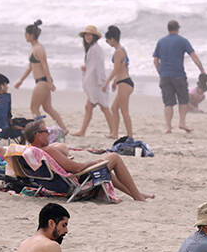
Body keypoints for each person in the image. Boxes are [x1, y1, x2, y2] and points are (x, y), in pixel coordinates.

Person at [23, 120, 153, 201]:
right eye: (46, 131)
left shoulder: (33, 152)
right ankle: (137, 196)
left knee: (105, 168)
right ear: (38, 135)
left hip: (56, 183)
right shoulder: (47, 150)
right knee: (114, 158)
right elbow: (76, 168)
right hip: (77, 179)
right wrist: (91, 163)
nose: (49, 133)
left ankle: (135, 193)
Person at [152, 20, 207, 134]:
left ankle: (168, 127)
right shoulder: (183, 41)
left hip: (165, 76)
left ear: (168, 29)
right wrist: (202, 70)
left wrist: (160, 73)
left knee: (168, 103)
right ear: (178, 28)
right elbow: (193, 56)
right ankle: (182, 123)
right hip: (178, 75)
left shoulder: (161, 42)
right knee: (183, 100)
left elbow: (155, 60)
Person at [14, 20, 69, 135]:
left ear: (31, 35)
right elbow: (30, 67)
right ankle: (63, 129)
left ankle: (42, 130)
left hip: (42, 82)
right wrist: (21, 81)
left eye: (26, 34)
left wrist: (50, 83)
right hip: (40, 82)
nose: (25, 36)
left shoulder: (39, 48)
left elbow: (45, 65)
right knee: (47, 107)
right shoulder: (33, 49)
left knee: (34, 108)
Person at [71, 25, 114, 137]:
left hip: (98, 84)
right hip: (95, 84)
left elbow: (98, 68)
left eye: (90, 34)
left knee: (104, 108)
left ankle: (114, 132)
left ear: (94, 36)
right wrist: (86, 68)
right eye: (86, 34)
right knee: (89, 107)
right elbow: (93, 66)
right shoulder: (92, 48)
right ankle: (83, 131)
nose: (87, 36)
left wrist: (103, 83)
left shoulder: (95, 49)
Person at [103, 25, 135, 139]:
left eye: (107, 40)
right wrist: (115, 81)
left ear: (112, 39)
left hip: (125, 83)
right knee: (114, 108)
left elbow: (116, 69)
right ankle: (114, 133)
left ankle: (130, 136)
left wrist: (107, 82)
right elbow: (123, 67)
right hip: (123, 81)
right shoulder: (122, 49)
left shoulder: (118, 52)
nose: (107, 42)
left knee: (124, 111)